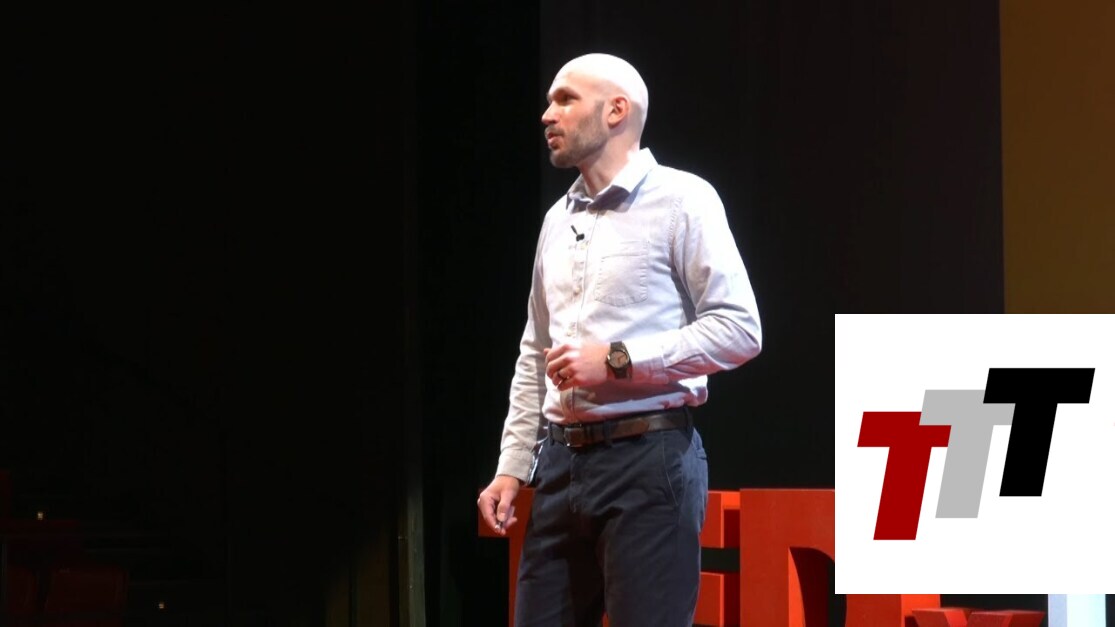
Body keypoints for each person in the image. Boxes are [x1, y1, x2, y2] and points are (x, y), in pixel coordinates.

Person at [476, 52, 762, 627]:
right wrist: (512, 466)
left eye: (565, 99)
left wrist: (616, 361)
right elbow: (535, 352)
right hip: (561, 467)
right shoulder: (557, 219)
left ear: (615, 111)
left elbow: (739, 329)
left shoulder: (683, 200)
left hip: (648, 459)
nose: (547, 114)